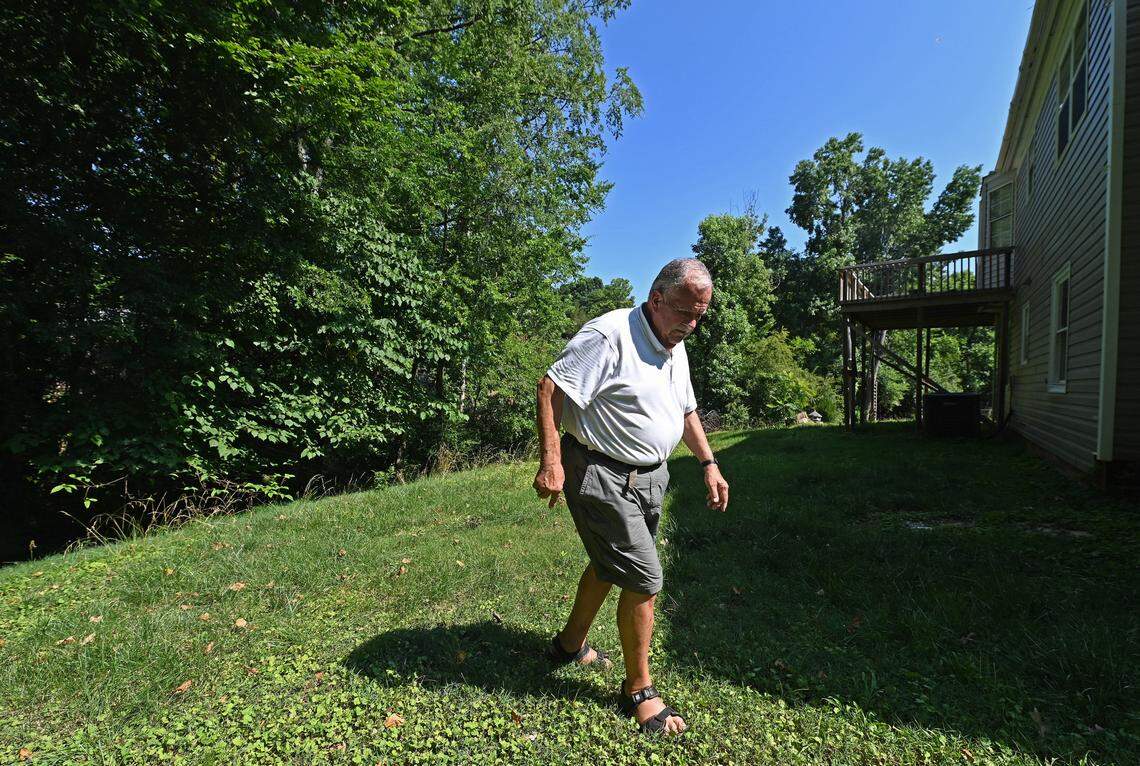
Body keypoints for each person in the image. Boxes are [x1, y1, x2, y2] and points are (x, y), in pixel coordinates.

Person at [533, 258, 729, 736]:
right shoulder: (610, 335)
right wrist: (551, 461)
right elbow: (550, 388)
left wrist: (708, 463)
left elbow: (685, 410)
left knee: (610, 564)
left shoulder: (674, 343)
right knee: (645, 578)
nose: (692, 325)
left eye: (699, 316)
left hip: (650, 477)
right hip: (601, 473)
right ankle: (638, 689)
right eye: (686, 312)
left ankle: (568, 645)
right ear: (657, 298)